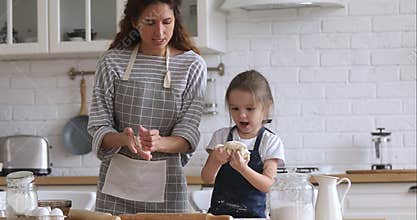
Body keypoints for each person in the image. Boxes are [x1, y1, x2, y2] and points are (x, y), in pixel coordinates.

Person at [87, 0, 207, 215]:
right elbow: (98, 126)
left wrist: (159, 143)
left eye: (167, 22)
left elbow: (188, 133)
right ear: (135, 23)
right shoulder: (112, 62)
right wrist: (124, 139)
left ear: (175, 21)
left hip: (168, 190)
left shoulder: (192, 65)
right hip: (115, 191)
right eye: (150, 22)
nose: (159, 32)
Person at [201, 70, 285, 218]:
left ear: (266, 108)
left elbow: (268, 186)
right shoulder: (221, 137)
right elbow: (206, 178)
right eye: (235, 108)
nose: (241, 115)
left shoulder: (270, 141)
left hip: (253, 217)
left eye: (250, 109)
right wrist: (215, 160)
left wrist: (243, 169)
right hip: (220, 216)